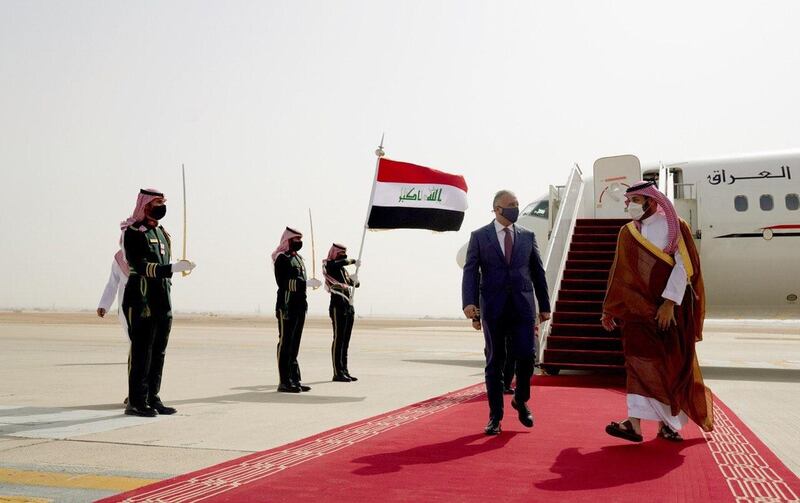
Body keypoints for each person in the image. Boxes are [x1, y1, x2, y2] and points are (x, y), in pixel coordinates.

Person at [601, 180, 713, 442]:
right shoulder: (628, 232)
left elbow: (685, 266)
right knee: (637, 362)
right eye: (628, 202)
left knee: (670, 365)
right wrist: (611, 308)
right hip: (638, 312)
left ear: (651, 201)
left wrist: (669, 303)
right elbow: (621, 275)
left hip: (670, 312)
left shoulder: (675, 227)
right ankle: (634, 424)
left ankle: (670, 425)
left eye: (634, 201)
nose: (629, 206)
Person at [462, 189, 551, 435]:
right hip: (493, 306)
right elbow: (470, 271)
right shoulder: (480, 236)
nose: (516, 207)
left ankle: (520, 399)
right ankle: (495, 418)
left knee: (526, 356)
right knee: (495, 362)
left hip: (523, 306)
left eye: (517, 203)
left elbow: (537, 272)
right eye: (511, 204)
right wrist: (469, 303)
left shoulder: (527, 235)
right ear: (497, 209)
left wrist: (544, 305)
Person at [121, 188, 196, 417]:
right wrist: (170, 268)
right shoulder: (133, 232)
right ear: (144, 205)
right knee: (142, 352)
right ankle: (136, 401)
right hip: (141, 298)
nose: (161, 206)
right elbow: (140, 266)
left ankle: (153, 397)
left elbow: (163, 262)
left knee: (158, 352)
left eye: (163, 202)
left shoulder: (163, 233)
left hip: (162, 298)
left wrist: (177, 265)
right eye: (156, 202)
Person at [272, 227, 322, 393]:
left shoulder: (298, 259)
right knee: (285, 342)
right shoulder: (282, 258)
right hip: (286, 305)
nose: (299, 243)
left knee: (295, 344)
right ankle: (284, 381)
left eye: (300, 240)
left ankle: (295, 379)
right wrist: (303, 284)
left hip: (300, 305)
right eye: (296, 240)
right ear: (288, 240)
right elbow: (282, 282)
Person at [322, 243, 361, 382]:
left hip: (348, 305)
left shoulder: (343, 270)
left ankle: (344, 370)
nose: (343, 255)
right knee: (339, 339)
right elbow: (341, 262)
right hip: (337, 305)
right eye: (340, 252)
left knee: (346, 340)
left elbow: (353, 284)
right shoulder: (330, 265)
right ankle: (337, 372)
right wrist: (353, 261)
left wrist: (355, 281)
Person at [97, 249, 131, 405]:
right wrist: (104, 304)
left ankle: (143, 392)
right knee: (136, 349)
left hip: (151, 307)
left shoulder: (152, 252)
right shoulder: (119, 258)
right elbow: (112, 283)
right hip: (126, 308)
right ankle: (136, 392)